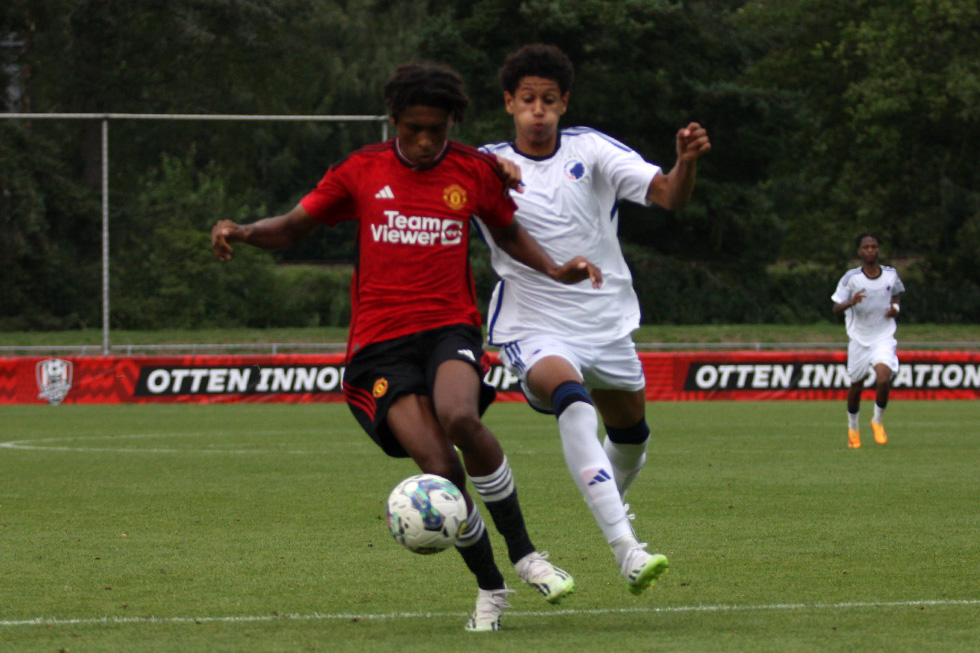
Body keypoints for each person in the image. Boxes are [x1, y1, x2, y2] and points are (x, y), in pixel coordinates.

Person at [210, 62, 602, 632]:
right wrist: (244, 231)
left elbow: (511, 232)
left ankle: (526, 555)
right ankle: (491, 589)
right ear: (393, 120)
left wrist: (556, 269)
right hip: (380, 346)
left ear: (451, 124)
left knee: (460, 416)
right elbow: (294, 225)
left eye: (436, 131)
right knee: (440, 467)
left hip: (450, 327)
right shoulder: (361, 171)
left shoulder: (475, 170)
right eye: (412, 128)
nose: (423, 141)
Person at [476, 44, 711, 595]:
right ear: (509, 103)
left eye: (549, 100)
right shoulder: (485, 163)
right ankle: (626, 548)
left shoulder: (593, 149)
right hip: (532, 323)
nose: (538, 110)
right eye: (527, 99)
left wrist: (687, 162)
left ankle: (605, 497)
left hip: (605, 322)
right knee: (572, 400)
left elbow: (670, 196)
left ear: (564, 104)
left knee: (631, 437)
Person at [831, 233, 905, 449]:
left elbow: (897, 294)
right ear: (859, 251)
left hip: (883, 337)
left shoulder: (891, 275)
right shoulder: (851, 278)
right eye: (866, 247)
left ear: (878, 250)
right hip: (859, 339)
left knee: (883, 379)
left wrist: (896, 309)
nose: (870, 250)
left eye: (874, 246)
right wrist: (851, 302)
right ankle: (853, 428)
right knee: (856, 386)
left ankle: (877, 421)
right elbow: (835, 308)